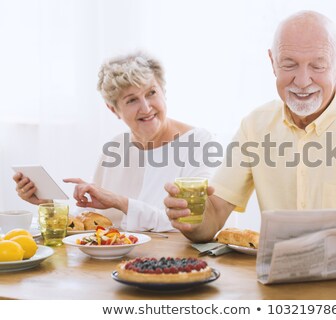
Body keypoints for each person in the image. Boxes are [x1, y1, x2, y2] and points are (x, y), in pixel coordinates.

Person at [164, 11, 336, 280]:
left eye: (318, 66)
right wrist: (190, 217)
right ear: (272, 62)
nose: (303, 81)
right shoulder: (254, 126)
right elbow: (213, 216)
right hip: (275, 292)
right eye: (289, 64)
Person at [13, 52, 213, 232]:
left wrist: (120, 202)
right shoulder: (115, 149)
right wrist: (47, 203)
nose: (146, 108)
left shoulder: (198, 143)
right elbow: (96, 223)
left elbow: (192, 224)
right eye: (131, 100)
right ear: (114, 109)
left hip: (176, 262)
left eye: (151, 93)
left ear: (163, 92)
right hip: (120, 262)